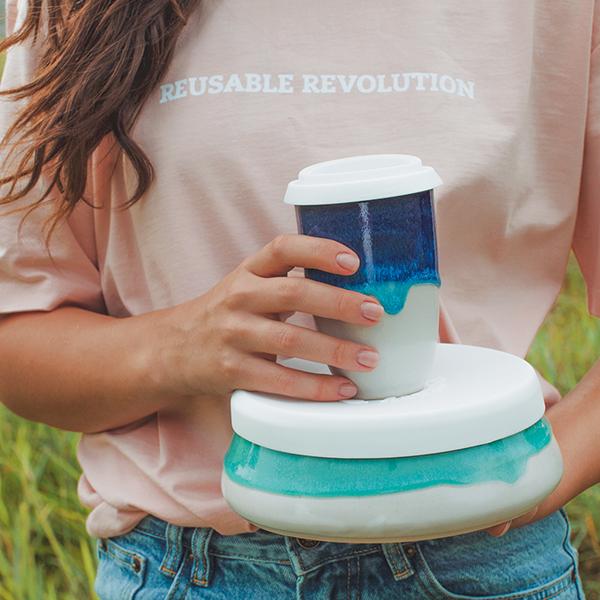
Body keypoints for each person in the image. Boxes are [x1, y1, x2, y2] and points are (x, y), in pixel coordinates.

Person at [0, 0, 597, 597]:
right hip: (194, 571)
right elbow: (18, 338)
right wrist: (176, 349)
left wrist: (535, 475)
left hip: (479, 556)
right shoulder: (70, 11)